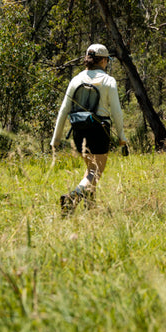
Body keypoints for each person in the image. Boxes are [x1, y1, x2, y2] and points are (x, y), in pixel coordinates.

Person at [50, 43, 128, 215]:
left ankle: (90, 210)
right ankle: (72, 197)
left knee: (90, 170)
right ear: (103, 61)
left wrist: (55, 139)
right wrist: (122, 137)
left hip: (78, 131)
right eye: (107, 60)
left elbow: (64, 110)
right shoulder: (109, 81)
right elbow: (116, 112)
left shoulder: (76, 79)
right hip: (100, 131)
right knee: (95, 171)